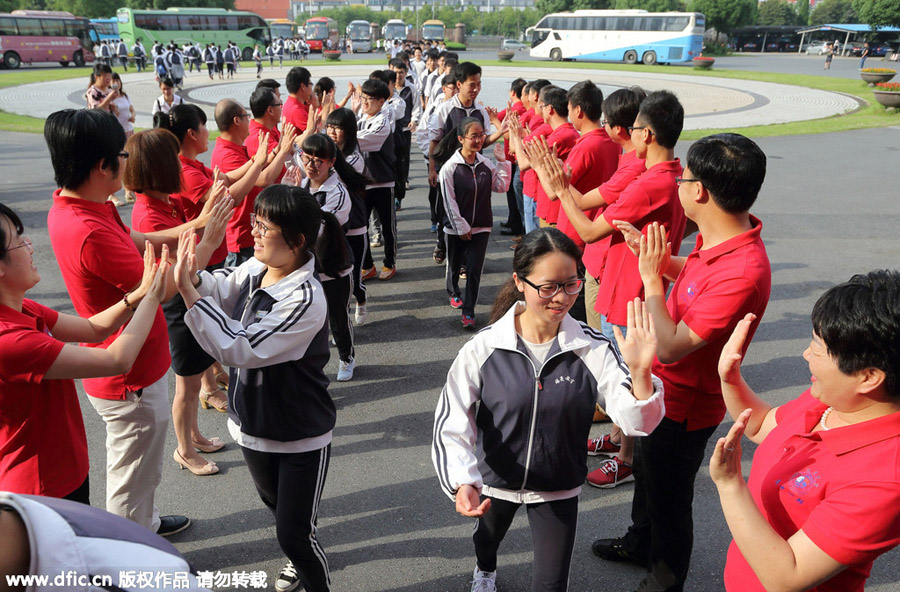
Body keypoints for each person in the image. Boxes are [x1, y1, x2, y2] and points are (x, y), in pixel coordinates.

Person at [432, 227, 664, 592]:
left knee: (551, 585)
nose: (562, 297)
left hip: (557, 488)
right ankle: (485, 570)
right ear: (519, 282)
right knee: (487, 541)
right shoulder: (483, 348)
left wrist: (642, 374)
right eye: (548, 287)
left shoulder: (593, 349)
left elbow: (638, 423)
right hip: (496, 482)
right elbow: (452, 422)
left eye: (572, 284)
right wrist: (462, 481)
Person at [593, 132, 772, 591]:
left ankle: (664, 580)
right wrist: (654, 259)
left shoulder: (743, 269)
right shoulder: (720, 237)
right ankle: (639, 543)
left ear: (700, 192)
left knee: (670, 500)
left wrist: (651, 280)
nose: (678, 183)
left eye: (684, 177)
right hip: (663, 392)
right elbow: (693, 278)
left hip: (685, 406)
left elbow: (670, 346)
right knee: (649, 479)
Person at [44, 108, 232, 536]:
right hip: (128, 378)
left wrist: (195, 225)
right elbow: (161, 290)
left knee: (141, 468)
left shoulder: (81, 205)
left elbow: (139, 240)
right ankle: (130, 550)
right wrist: (210, 241)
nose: (127, 164)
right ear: (100, 166)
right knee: (130, 476)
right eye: (120, 155)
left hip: (135, 366)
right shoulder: (88, 230)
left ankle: (143, 524)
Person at [174, 186, 337, 592]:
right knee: (276, 510)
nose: (255, 234)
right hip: (252, 425)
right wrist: (199, 263)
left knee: (294, 535)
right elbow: (219, 288)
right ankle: (297, 553)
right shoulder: (256, 268)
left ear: (297, 242)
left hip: (299, 434)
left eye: (265, 227)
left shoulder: (305, 297)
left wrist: (188, 291)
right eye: (255, 224)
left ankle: (310, 572)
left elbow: (243, 347)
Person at [711, 270, 900, 592]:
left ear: (868, 377)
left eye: (818, 348)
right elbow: (762, 425)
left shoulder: (884, 478)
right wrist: (730, 379)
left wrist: (730, 485)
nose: (805, 355)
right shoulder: (831, 403)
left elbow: (786, 578)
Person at [0, 202, 167, 503]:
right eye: (18, 240)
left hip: (63, 468)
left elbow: (93, 329)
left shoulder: (21, 308)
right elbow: (116, 359)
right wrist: (153, 295)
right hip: (41, 486)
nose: (30, 245)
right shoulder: (10, 340)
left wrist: (138, 294)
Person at [126, 128, 228, 476]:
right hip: (176, 306)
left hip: (188, 299)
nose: (179, 165)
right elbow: (176, 273)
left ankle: (194, 434)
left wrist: (209, 208)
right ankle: (184, 450)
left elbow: (190, 236)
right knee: (185, 383)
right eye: (172, 159)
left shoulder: (162, 203)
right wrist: (209, 237)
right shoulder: (148, 215)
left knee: (197, 374)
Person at [297, 133, 366, 381]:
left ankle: (347, 357)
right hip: (306, 267)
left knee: (338, 318)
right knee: (310, 320)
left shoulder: (338, 193)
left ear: (331, 162)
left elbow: (318, 229)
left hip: (334, 266)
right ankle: (311, 366)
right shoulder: (302, 184)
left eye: (319, 160)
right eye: (307, 158)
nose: (311, 164)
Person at [435, 117, 511, 329]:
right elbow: (449, 203)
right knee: (454, 262)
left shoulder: (486, 165)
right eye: (474, 136)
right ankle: (453, 291)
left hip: (482, 226)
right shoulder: (449, 168)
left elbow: (501, 187)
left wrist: (502, 162)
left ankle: (469, 311)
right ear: (461, 139)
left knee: (475, 270)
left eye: (481, 135)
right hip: (455, 228)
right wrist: (461, 227)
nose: (479, 140)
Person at [211, 98, 296, 267]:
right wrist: (282, 152)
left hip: (249, 233)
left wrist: (275, 151)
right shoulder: (227, 154)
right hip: (242, 237)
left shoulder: (235, 148)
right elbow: (262, 179)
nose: (249, 120)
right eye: (245, 115)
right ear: (236, 120)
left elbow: (256, 167)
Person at [325, 108, 369, 325]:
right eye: (329, 127)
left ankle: (361, 299)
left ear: (349, 130)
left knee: (354, 279)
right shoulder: (326, 155)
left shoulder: (354, 158)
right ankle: (342, 322)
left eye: (338, 128)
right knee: (339, 278)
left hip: (355, 226)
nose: (332, 132)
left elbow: (333, 177)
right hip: (336, 228)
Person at [356, 79, 398, 281]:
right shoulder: (359, 117)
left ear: (382, 101)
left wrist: (342, 137)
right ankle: (367, 265)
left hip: (383, 181)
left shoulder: (383, 120)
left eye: (370, 99)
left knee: (387, 227)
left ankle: (390, 263)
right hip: (363, 183)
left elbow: (365, 142)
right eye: (363, 97)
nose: (365, 102)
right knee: (361, 226)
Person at [109, 72, 135, 139]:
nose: (116, 83)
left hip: (128, 129)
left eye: (118, 80)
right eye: (113, 81)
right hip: (116, 131)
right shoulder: (108, 97)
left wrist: (132, 116)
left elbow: (132, 110)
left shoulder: (125, 96)